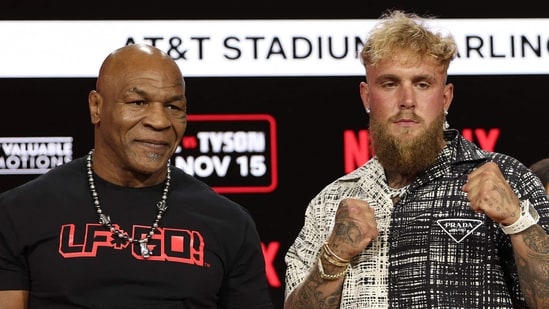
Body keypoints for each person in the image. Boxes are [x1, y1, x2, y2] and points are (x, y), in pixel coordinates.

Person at [284, 10, 549, 308]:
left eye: (422, 84)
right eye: (389, 83)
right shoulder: (330, 201)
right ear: (366, 96)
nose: (407, 101)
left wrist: (517, 220)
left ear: (446, 97)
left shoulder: (509, 179)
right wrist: (334, 256)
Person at [0, 43, 273, 309]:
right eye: (138, 102)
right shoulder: (19, 212)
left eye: (173, 107)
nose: (159, 121)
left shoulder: (229, 223)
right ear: (96, 107)